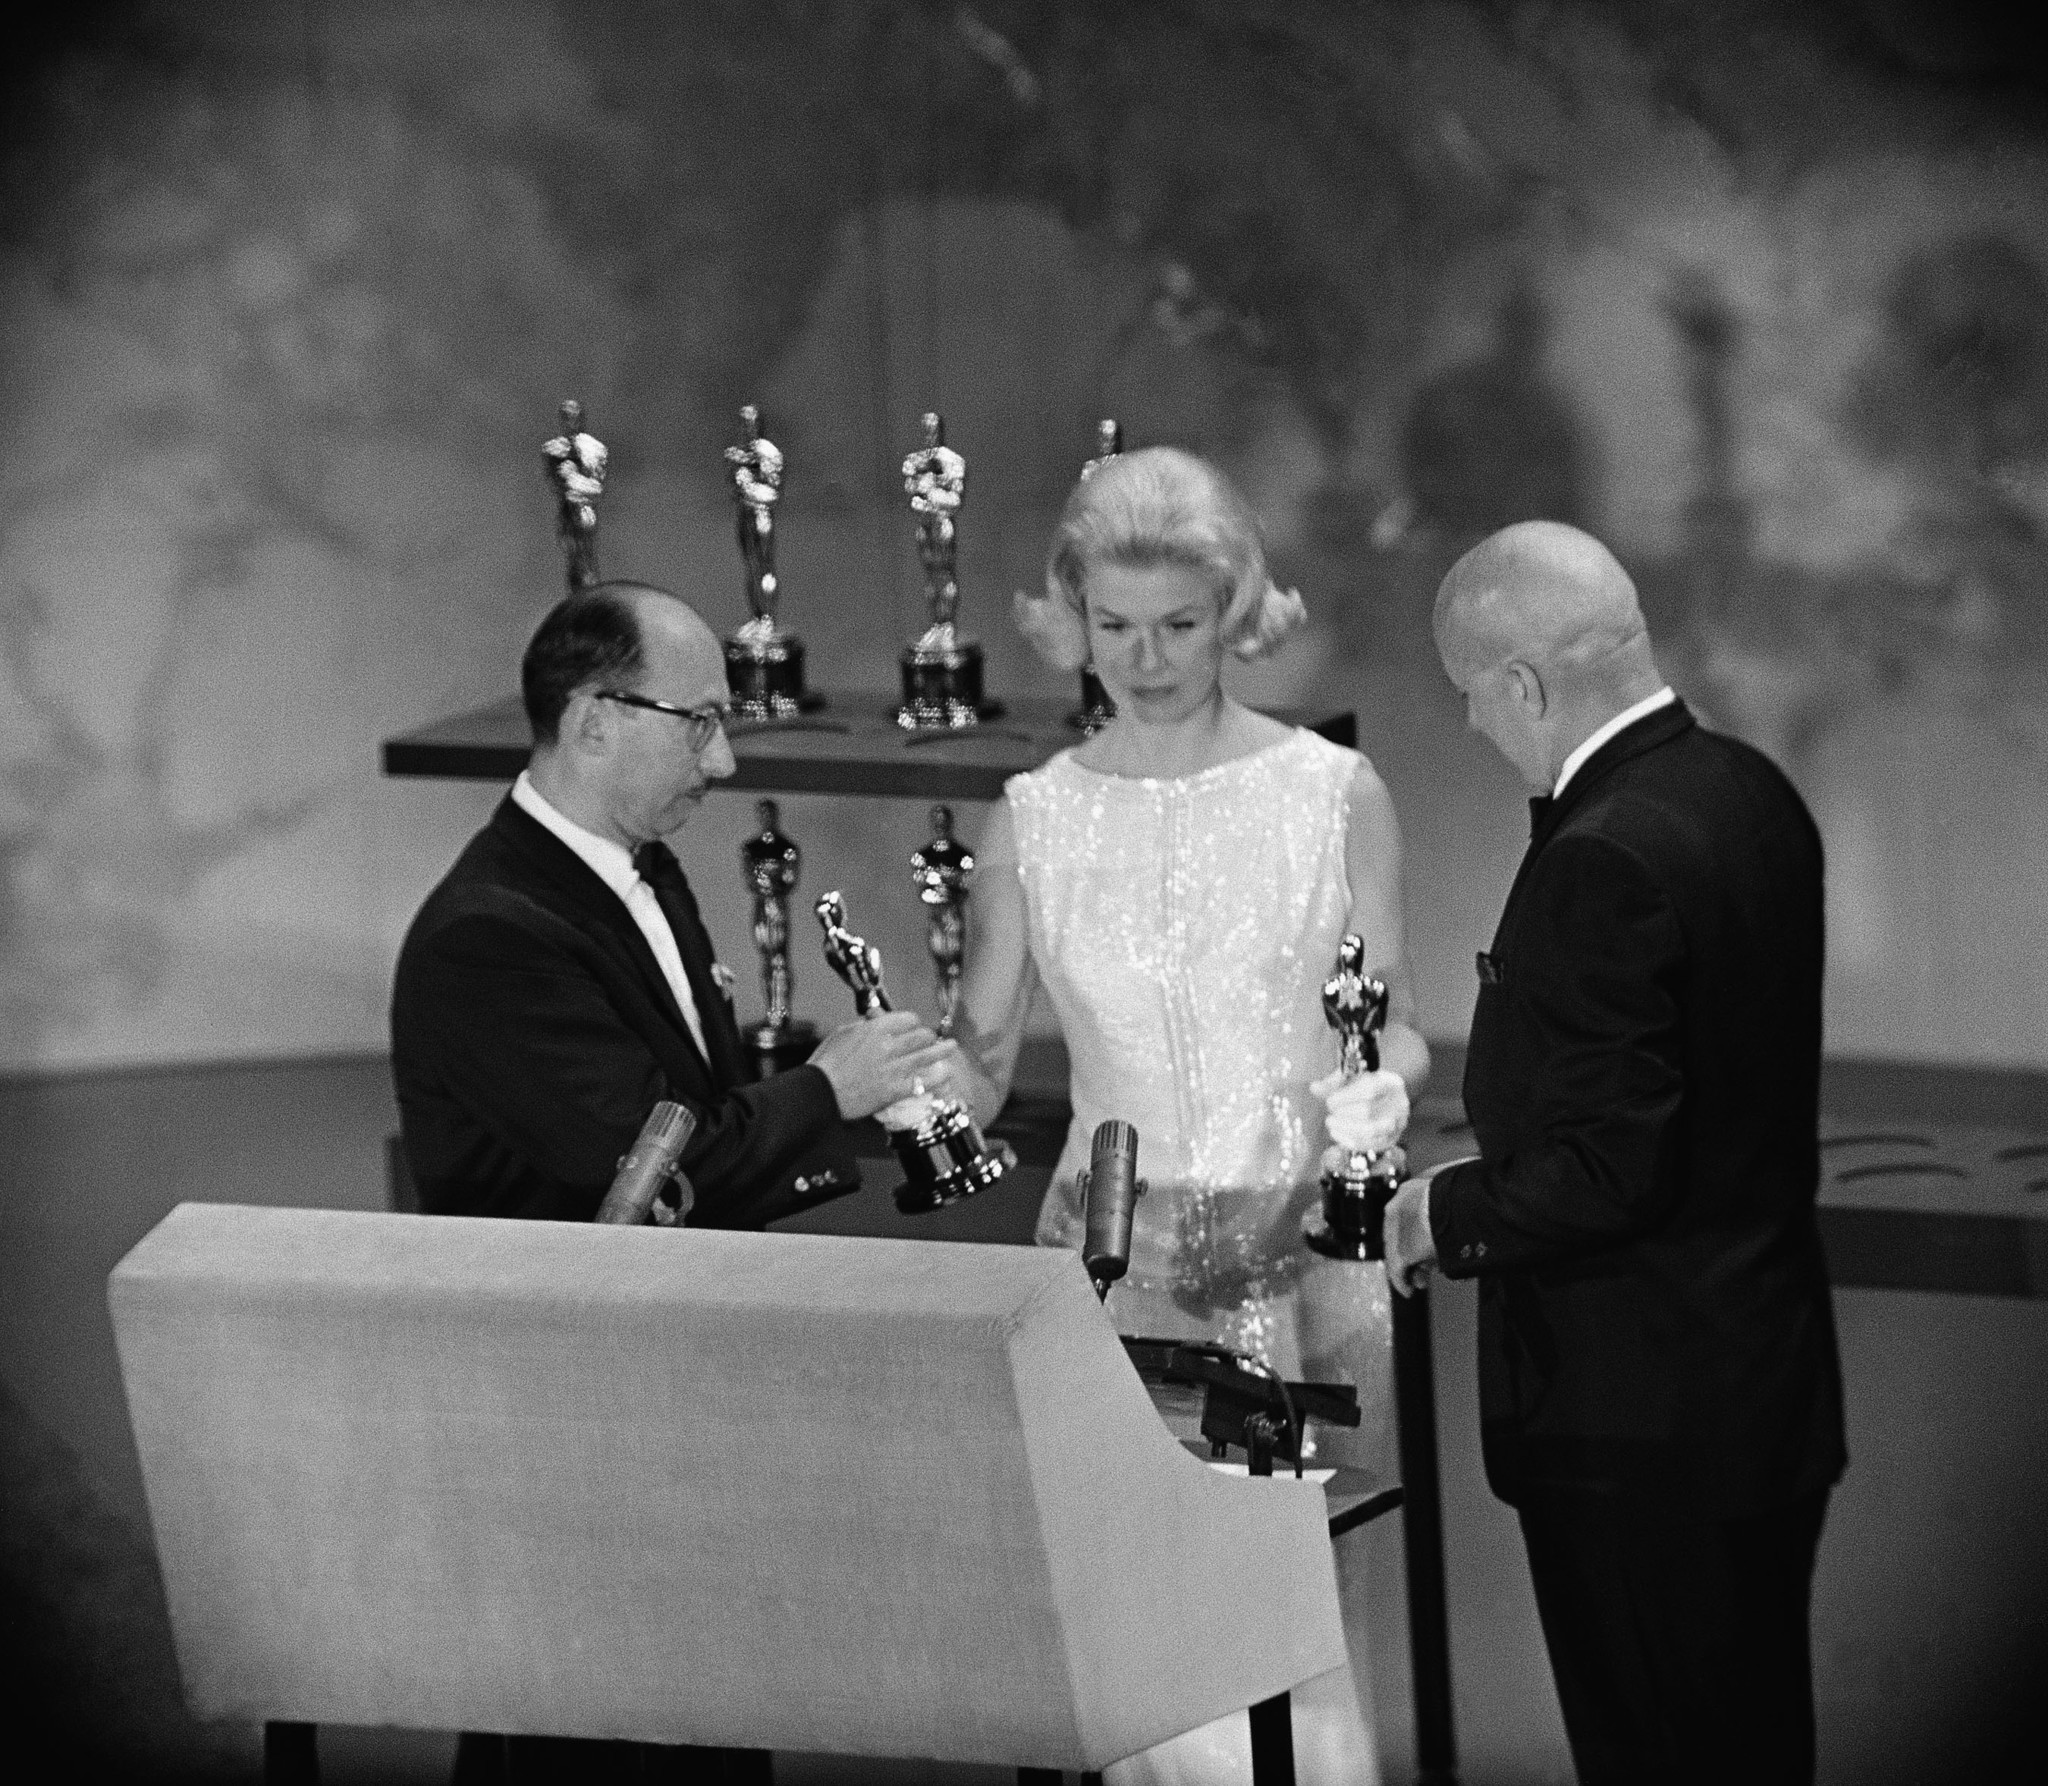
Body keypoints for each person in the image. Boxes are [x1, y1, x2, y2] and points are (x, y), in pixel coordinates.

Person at [940, 446, 1429, 1786]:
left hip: (1301, 1260)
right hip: (1109, 1269)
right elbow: (978, 1068)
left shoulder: (1333, 793)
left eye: (1178, 623)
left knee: (1293, 1629)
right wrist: (889, 1082)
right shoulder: (1031, 820)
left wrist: (1385, 1087)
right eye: (1114, 625)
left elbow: (1391, 1023)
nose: (1145, 659)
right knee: (1140, 1635)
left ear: (1236, 613)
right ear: (1069, 619)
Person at [1379, 521, 1846, 1785]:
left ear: (1523, 684)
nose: (1471, 724)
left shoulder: (1599, 855)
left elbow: (1607, 1170)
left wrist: (1436, 1214)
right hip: (1758, 1398)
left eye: (1472, 694)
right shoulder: (1748, 790)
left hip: (1640, 1437)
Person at [391, 579, 949, 1227]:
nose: (723, 761)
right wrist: (826, 1090)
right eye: (699, 722)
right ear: (594, 724)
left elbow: (697, 1097)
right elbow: (648, 1179)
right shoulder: (486, 939)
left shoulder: (647, 865)